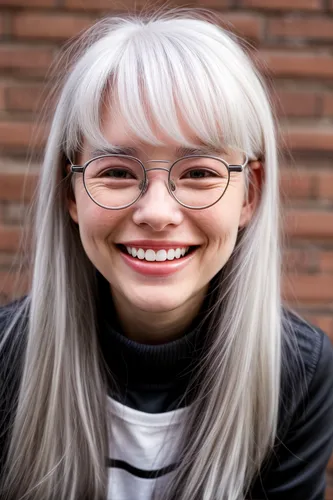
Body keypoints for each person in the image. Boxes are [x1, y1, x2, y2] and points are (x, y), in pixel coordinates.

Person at [0, 9, 333, 500]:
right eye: (116, 172)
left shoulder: (297, 373)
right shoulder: (8, 361)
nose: (157, 213)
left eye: (199, 172)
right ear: (71, 194)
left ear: (249, 194)